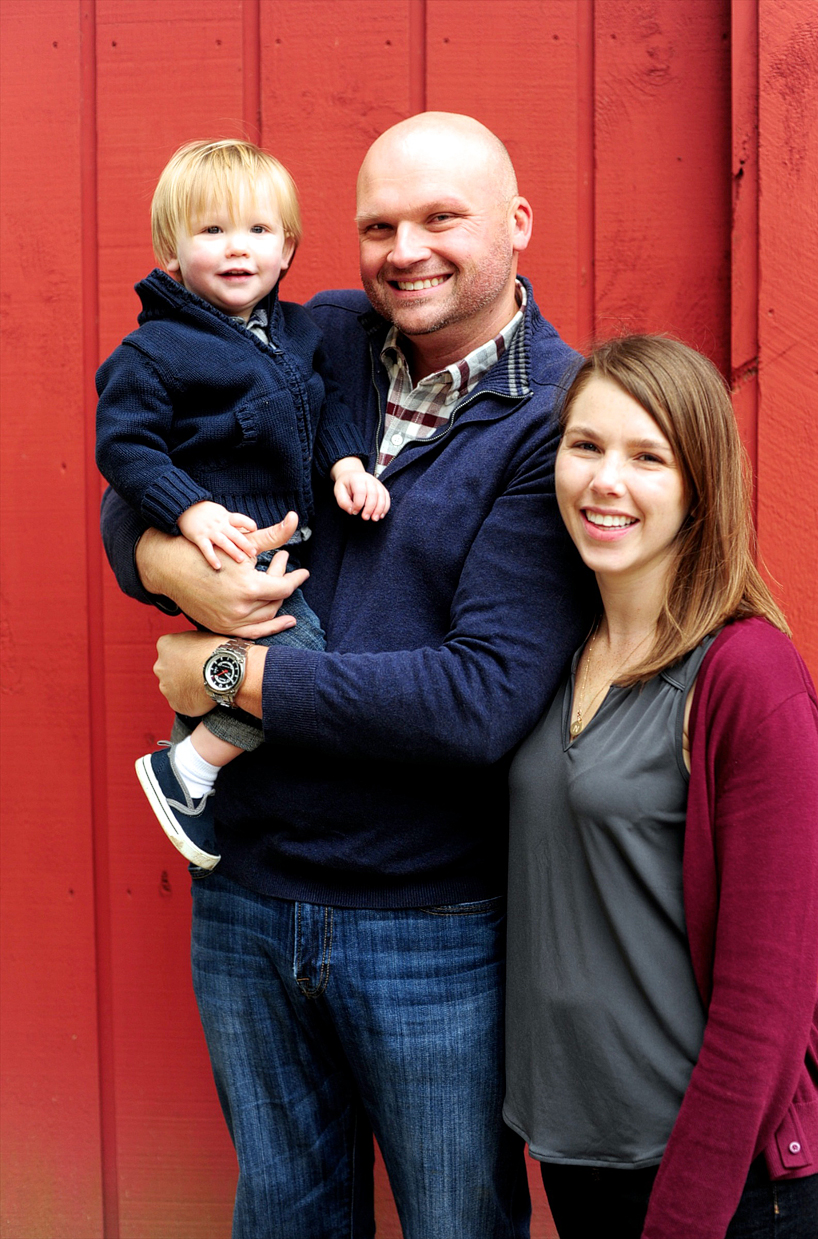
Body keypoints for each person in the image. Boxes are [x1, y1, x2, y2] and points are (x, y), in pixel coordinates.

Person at [99, 113, 592, 1238]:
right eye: (379, 225)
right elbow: (132, 489)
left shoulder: (557, 419)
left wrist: (223, 671)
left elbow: (476, 701)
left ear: (516, 225)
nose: (403, 249)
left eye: (439, 218)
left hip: (429, 916)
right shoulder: (310, 340)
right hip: (247, 894)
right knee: (281, 1215)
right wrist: (180, 561)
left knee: (455, 1220)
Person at [503, 335, 818, 1239]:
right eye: (586, 446)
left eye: (648, 457)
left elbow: (764, 1002)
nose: (607, 480)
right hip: (579, 1160)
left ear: (700, 484)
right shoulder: (552, 655)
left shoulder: (748, 675)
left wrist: (685, 1217)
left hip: (715, 1184)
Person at [95, 139, 389, 872]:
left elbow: (325, 412)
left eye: (258, 231)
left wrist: (348, 463)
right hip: (220, 548)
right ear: (171, 251)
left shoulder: (299, 332)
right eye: (212, 231)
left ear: (287, 246)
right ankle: (187, 769)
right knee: (295, 664)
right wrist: (189, 513)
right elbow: (126, 450)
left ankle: (197, 757)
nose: (237, 249)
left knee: (273, 656)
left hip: (293, 544)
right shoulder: (156, 351)